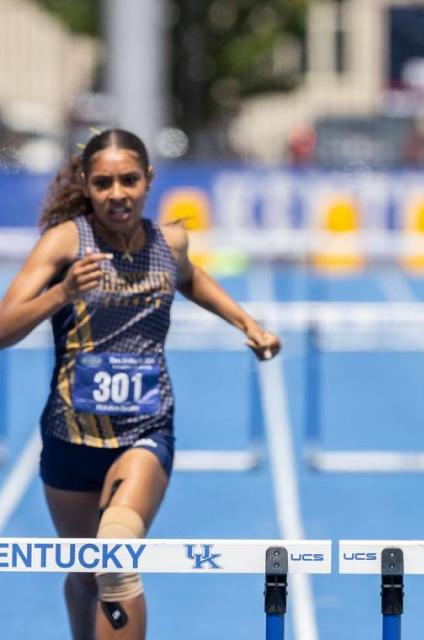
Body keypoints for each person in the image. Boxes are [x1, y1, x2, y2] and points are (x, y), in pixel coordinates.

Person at [0, 129, 280, 639]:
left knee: (114, 556)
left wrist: (247, 323)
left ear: (148, 180)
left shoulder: (167, 241)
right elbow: (3, 329)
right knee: (85, 574)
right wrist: (62, 292)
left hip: (144, 431)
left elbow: (189, 276)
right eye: (103, 183)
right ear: (86, 184)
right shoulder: (64, 242)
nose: (117, 194)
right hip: (69, 435)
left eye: (128, 180)